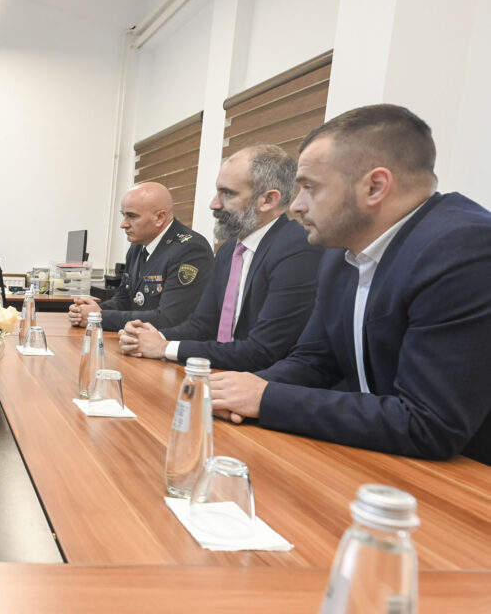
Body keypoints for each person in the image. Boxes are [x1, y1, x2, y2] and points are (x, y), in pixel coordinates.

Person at [211, 105, 491, 463]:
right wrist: (240, 391)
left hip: (463, 477)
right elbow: (314, 361)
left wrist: (266, 399)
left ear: (375, 187)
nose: (296, 206)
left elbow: (429, 423)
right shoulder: (340, 254)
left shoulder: (464, 250)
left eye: (309, 187)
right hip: (377, 454)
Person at [120, 145, 323, 371]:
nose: (214, 204)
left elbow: (263, 351)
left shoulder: (297, 250)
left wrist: (164, 347)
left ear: (268, 200)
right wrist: (151, 336)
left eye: (228, 193)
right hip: (221, 371)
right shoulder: (229, 251)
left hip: (261, 381)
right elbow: (201, 326)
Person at [68, 182, 212, 332]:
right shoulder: (137, 246)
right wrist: (86, 310)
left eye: (132, 216)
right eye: (123, 215)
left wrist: (98, 317)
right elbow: (124, 300)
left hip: (166, 343)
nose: (123, 224)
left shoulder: (190, 250)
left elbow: (168, 319)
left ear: (159, 217)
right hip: (136, 338)